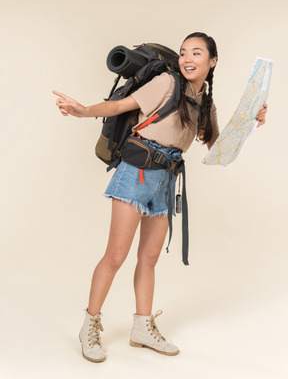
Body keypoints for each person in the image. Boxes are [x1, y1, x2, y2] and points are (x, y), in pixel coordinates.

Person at [53, 32, 268, 363]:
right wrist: (82, 111)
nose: (187, 58)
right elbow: (121, 105)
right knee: (115, 256)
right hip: (136, 172)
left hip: (165, 179)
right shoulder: (167, 82)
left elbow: (218, 147)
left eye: (197, 53)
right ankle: (89, 326)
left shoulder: (204, 101)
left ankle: (141, 327)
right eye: (184, 52)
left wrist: (251, 123)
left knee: (149, 258)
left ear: (212, 61)